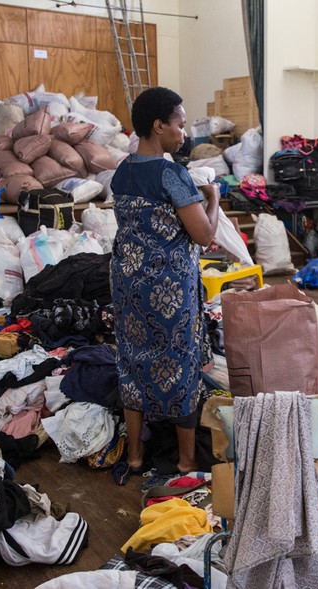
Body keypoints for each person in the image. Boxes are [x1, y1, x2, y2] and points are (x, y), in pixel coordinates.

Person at [110, 87, 220, 480]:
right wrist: (213, 197)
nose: (184, 134)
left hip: (127, 285)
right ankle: (187, 461)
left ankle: (136, 457)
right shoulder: (172, 174)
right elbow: (204, 236)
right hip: (168, 291)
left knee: (133, 363)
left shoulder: (122, 171)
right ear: (159, 126)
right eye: (180, 124)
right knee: (180, 365)